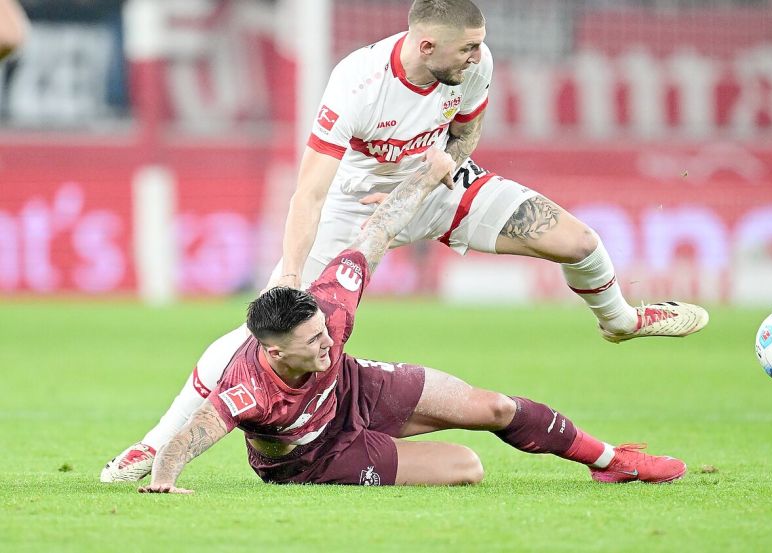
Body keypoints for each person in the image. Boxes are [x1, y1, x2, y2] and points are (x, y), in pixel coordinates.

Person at [102, 0, 707, 483]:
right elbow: (309, 190)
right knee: (261, 329)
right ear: (425, 46)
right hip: (353, 206)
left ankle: (622, 320)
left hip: (436, 187)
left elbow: (465, 137)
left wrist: (437, 178)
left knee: (578, 240)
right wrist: (290, 272)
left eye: (478, 46)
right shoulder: (357, 82)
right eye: (467, 48)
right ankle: (152, 447)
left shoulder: (477, 65)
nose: (477, 57)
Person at [137, 147, 685, 492]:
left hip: (357, 391)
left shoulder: (329, 306)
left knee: (493, 407)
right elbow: (192, 434)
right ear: (275, 353)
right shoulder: (246, 388)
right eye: (313, 344)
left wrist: (424, 180)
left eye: (325, 333)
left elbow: (375, 234)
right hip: (315, 457)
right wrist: (162, 482)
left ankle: (611, 461)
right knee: (468, 466)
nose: (328, 343)